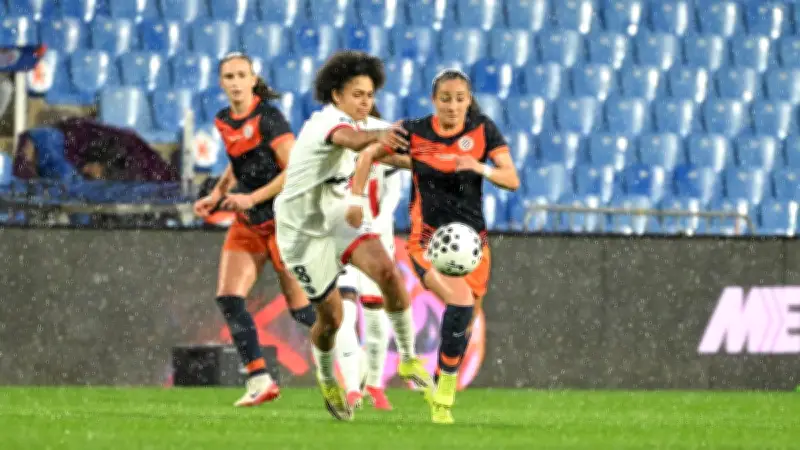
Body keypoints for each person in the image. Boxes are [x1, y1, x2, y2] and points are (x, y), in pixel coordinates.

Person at [352, 69, 520, 424]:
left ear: (469, 100)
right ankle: (443, 392)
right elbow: (369, 155)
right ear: (434, 101)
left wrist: (479, 167)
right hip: (426, 243)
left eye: (460, 99)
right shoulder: (414, 131)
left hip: (473, 243)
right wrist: (355, 200)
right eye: (446, 98)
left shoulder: (483, 130)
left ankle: (443, 382)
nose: (453, 106)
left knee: (467, 317)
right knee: (458, 303)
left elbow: (512, 179)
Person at [273, 50, 432, 421]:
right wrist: (382, 134)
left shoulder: (364, 126)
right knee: (331, 319)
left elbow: (384, 154)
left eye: (370, 95)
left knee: (389, 273)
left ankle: (408, 359)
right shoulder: (324, 123)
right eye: (357, 94)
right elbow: (353, 140)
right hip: (300, 231)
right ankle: (329, 378)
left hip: (335, 213)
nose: (366, 101)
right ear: (336, 96)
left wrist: (442, 165)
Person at [193, 52, 316, 408]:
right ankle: (259, 378)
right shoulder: (223, 120)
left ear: (252, 79)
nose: (234, 82)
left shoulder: (269, 118)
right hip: (250, 224)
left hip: (283, 222)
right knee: (229, 298)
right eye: (228, 76)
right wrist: (216, 195)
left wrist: (252, 198)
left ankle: (353, 357)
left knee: (303, 312)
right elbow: (238, 163)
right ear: (221, 82)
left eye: (240, 75)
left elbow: (295, 171)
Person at [335, 112, 402, 411]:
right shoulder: (332, 134)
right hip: (342, 237)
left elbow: (393, 194)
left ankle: (374, 383)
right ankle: (352, 388)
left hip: (376, 238)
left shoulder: (383, 133)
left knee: (376, 315)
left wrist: (376, 225)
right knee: (344, 313)